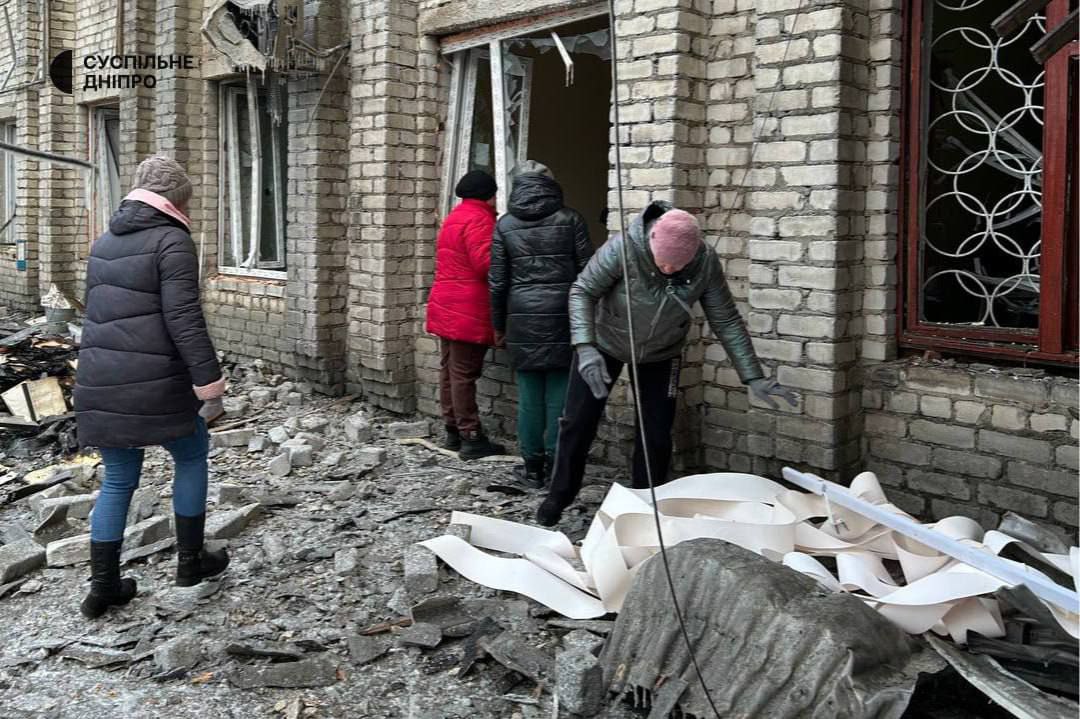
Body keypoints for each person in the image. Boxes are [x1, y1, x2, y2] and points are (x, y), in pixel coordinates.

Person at [536, 202, 797, 526]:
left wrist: (752, 375)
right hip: (604, 344)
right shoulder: (623, 249)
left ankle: (645, 505)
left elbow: (726, 320)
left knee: (656, 433)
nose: (670, 270)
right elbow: (582, 291)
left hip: (662, 351)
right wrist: (585, 346)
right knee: (578, 422)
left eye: (678, 265)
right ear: (651, 241)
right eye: (664, 263)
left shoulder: (705, 263)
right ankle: (559, 496)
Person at [74, 155, 229, 619]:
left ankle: (103, 586)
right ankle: (191, 562)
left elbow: (99, 313)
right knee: (191, 451)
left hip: (100, 378)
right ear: (176, 201)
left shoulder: (104, 242)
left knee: (119, 477)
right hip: (155, 381)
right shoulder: (172, 241)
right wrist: (209, 382)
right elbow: (183, 318)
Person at [489, 161, 594, 488]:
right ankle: (556, 465)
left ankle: (532, 468)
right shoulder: (571, 219)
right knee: (561, 394)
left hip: (521, 317)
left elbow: (497, 282)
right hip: (564, 314)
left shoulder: (505, 225)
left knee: (529, 396)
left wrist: (498, 324)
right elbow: (589, 273)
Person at [426, 170, 505, 460]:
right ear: (489, 195)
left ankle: (453, 430)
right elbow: (486, 265)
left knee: (450, 370)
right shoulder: (479, 219)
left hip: (447, 302)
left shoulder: (455, 217)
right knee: (463, 374)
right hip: (467, 307)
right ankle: (471, 436)